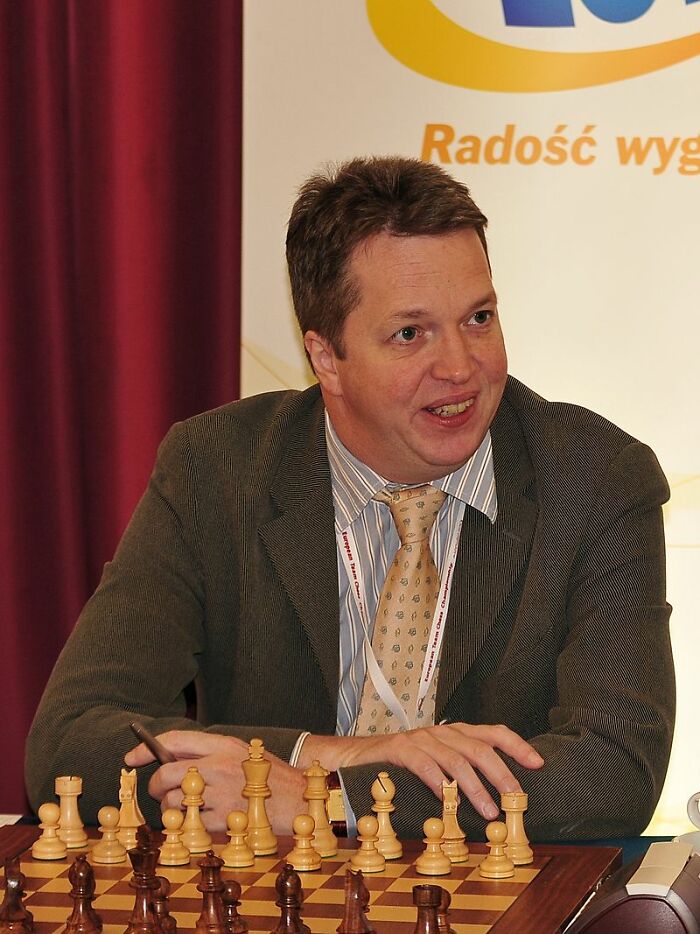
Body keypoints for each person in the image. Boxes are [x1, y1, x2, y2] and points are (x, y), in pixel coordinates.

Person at [25, 156, 674, 841]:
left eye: (479, 318)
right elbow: (70, 741)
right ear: (326, 358)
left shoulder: (595, 479)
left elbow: (616, 769)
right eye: (410, 334)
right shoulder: (216, 470)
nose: (461, 366)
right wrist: (330, 756)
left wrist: (329, 800)